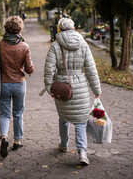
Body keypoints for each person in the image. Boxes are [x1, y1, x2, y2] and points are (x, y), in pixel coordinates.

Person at [42, 18, 101, 165]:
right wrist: (96, 89)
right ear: (74, 28)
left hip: (62, 87)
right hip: (80, 86)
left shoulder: (56, 45)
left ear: (60, 30)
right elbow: (91, 69)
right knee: (81, 121)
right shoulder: (83, 44)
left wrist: (49, 87)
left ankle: (63, 144)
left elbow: (49, 69)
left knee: (63, 117)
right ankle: (82, 152)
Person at [0, 16, 34, 158]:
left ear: (6, 28)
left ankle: (3, 137)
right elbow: (30, 69)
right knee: (18, 113)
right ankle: (17, 141)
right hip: (19, 83)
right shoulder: (24, 46)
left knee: (4, 114)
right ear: (19, 29)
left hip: (3, 84)